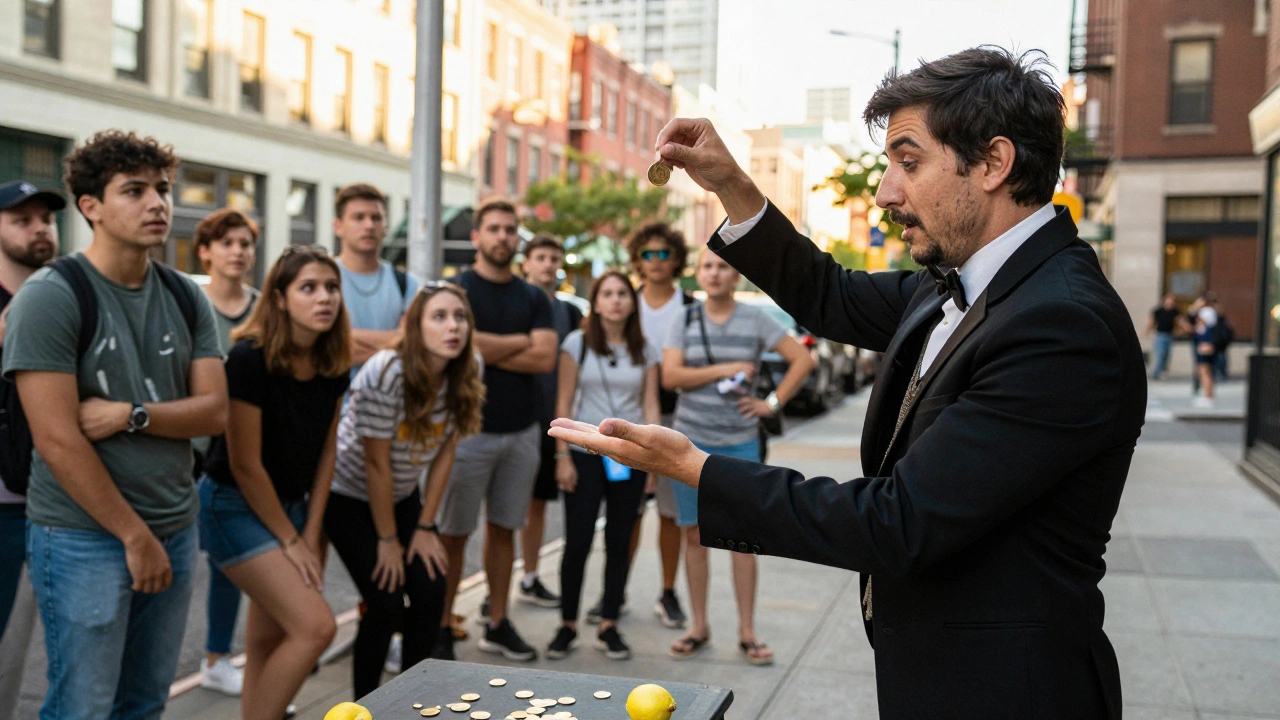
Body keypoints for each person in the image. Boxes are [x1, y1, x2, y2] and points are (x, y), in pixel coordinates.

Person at [551, 47, 1146, 719]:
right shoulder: (959, 284)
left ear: (992, 163)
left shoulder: (1061, 323)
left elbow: (899, 521)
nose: (886, 193)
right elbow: (828, 294)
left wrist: (696, 469)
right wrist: (732, 185)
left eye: (908, 162)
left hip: (1009, 692)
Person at [4, 130, 227, 720]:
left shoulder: (186, 295)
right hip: (83, 536)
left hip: (174, 526)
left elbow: (214, 410)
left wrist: (131, 415)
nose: (157, 203)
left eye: (163, 189)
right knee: (82, 707)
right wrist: (134, 537)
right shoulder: (52, 296)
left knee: (145, 703)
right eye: (134, 190)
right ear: (91, 206)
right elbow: (57, 440)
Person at [198, 246, 351, 720]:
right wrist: (291, 539)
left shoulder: (332, 361)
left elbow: (327, 453)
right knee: (316, 628)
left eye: (331, 287)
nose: (324, 297)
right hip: (232, 505)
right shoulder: (249, 358)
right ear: (280, 298)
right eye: (309, 288)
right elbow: (244, 464)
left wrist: (310, 532)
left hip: (292, 506)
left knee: (270, 639)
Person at [326, 281, 484, 696]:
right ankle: (364, 706)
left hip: (401, 493)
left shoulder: (469, 367)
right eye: (439, 316)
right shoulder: (386, 371)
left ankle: (413, 700)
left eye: (460, 317)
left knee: (431, 590)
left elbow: (447, 450)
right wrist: (388, 539)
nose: (453, 326)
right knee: (385, 600)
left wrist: (426, 527)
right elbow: (375, 463)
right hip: (348, 495)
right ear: (415, 326)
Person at [661, 247, 813, 665]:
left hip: (740, 443)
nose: (714, 273)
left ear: (736, 275)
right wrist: (725, 368)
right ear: (698, 274)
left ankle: (747, 631)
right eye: (707, 266)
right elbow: (670, 376)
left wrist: (772, 403)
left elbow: (803, 359)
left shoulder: (755, 318)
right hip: (688, 443)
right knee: (693, 534)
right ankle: (698, 626)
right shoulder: (684, 319)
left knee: (744, 539)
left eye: (723, 266)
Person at [435, 198, 556, 661]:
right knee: (453, 535)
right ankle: (441, 627)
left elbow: (544, 357)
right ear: (476, 236)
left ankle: (498, 623)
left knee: (504, 530)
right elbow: (451, 348)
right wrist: (519, 343)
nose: (503, 236)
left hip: (522, 431)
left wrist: (480, 347)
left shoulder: (533, 297)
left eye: (510, 229)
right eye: (494, 228)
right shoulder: (457, 292)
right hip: (466, 432)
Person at [546, 271, 660, 661]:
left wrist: (654, 463)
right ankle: (567, 624)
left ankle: (609, 623)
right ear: (595, 302)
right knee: (577, 541)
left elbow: (650, 406)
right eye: (607, 293)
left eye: (622, 293)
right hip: (584, 455)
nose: (615, 300)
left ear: (632, 302)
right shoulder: (576, 344)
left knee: (619, 541)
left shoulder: (645, 348)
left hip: (630, 456)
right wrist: (562, 456)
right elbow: (563, 403)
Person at [594, 221, 693, 629]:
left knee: (670, 513)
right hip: (626, 419)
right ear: (637, 260)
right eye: (647, 254)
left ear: (676, 259)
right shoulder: (623, 301)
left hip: (676, 420)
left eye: (663, 253)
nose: (655, 261)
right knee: (627, 514)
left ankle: (667, 593)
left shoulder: (689, 306)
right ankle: (614, 595)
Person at [0, 179, 63, 720]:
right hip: (7, 504)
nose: (39, 228)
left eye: (46, 218)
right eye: (22, 220)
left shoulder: (65, 299)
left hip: (63, 503)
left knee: (30, 654)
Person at [193, 207, 260, 696]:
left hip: (248, 451)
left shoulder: (264, 308)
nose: (237, 252)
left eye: (245, 243)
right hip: (196, 453)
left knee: (231, 564)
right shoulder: (192, 305)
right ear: (206, 252)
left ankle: (219, 656)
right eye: (227, 243)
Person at [517, 235, 582, 609]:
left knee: (538, 504)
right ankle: (498, 588)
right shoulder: (514, 302)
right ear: (526, 262)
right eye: (540, 257)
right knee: (504, 512)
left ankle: (529, 576)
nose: (547, 264)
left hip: (554, 420)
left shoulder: (569, 313)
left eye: (554, 258)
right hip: (515, 420)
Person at [334, 183, 420, 372]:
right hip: (335, 390)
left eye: (376, 218)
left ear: (385, 227)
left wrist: (344, 335)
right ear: (338, 226)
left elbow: (416, 343)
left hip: (391, 389)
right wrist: (395, 342)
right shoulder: (325, 281)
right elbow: (323, 351)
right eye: (358, 217)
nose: (369, 225)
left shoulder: (406, 284)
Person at [1188, 295, 1219, 408]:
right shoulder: (1204, 322)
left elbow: (1208, 325)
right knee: (1202, 371)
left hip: (1205, 346)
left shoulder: (1208, 314)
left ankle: (1209, 396)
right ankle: (1206, 394)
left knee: (1205, 371)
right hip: (1203, 344)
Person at [1146, 293, 1178, 380]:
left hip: (1169, 335)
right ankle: (1156, 372)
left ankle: (1162, 371)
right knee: (1160, 354)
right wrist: (1147, 332)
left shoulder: (1174, 312)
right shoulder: (1158, 311)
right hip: (1160, 335)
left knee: (1166, 355)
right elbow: (1151, 322)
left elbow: (1180, 321)